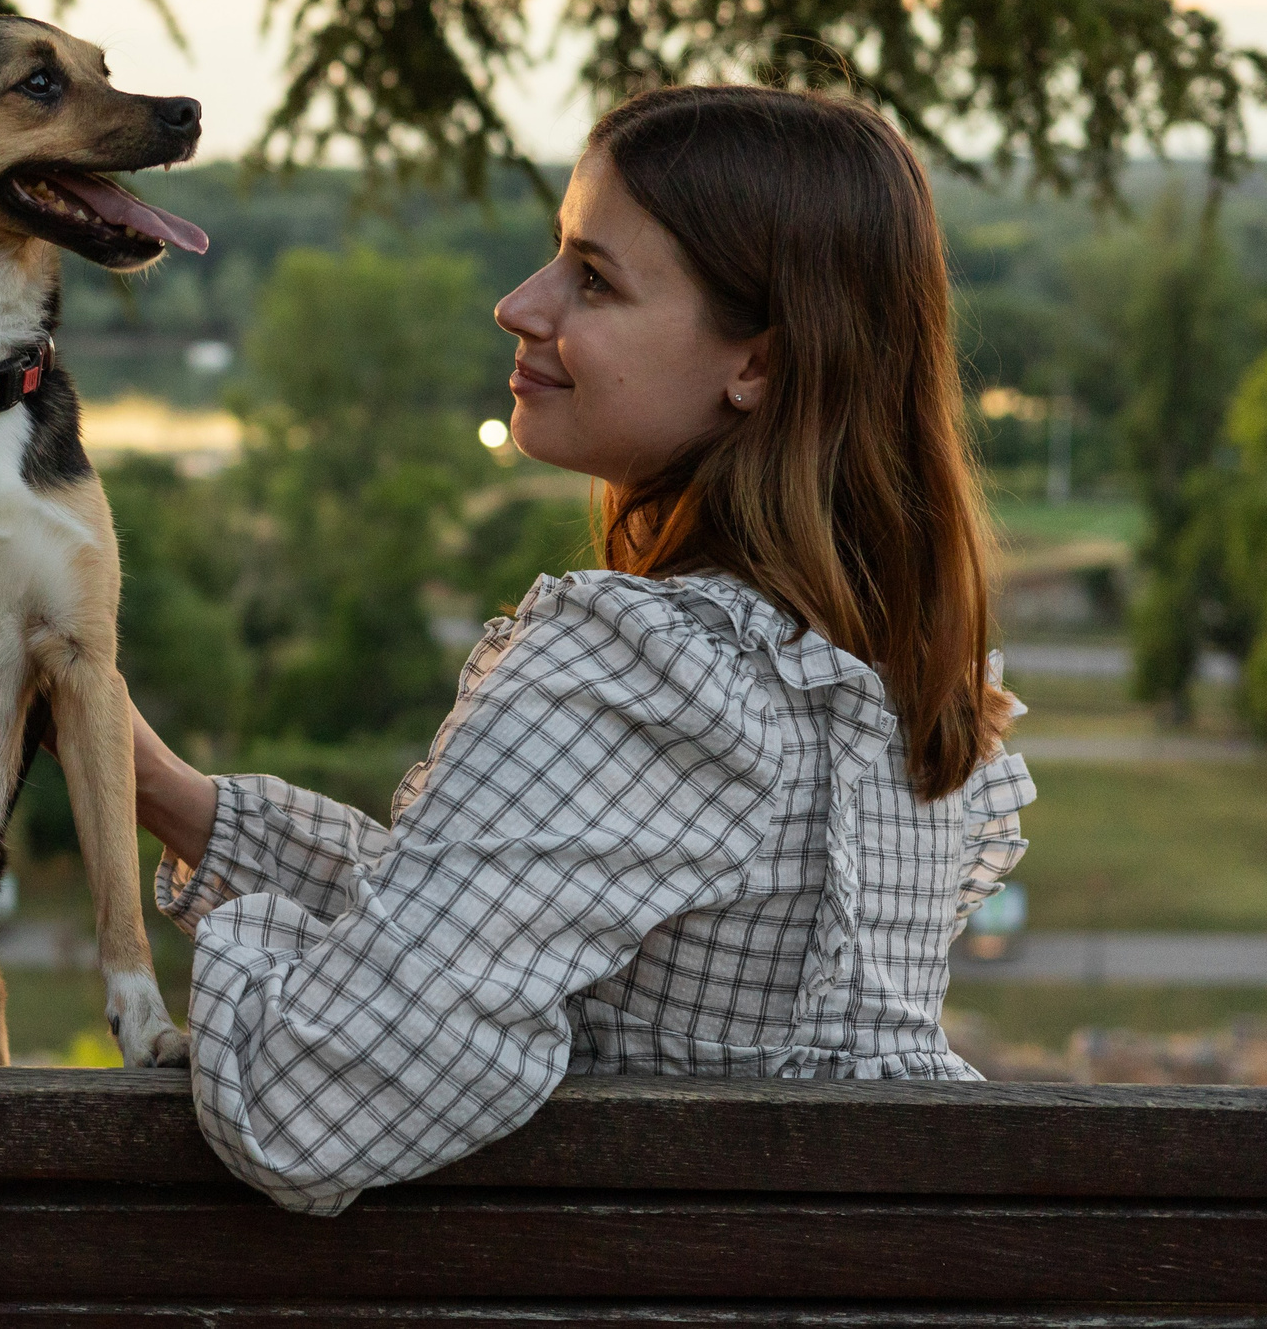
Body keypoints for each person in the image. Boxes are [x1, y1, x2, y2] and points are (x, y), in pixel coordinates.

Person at [129, 85, 1035, 1214]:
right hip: (853, 1266)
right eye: (555, 257)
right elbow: (493, 906)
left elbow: (303, 1103)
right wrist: (163, 790)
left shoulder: (648, 676)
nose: (519, 304)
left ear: (755, 361)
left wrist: (265, 962)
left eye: (593, 280)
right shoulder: (880, 670)